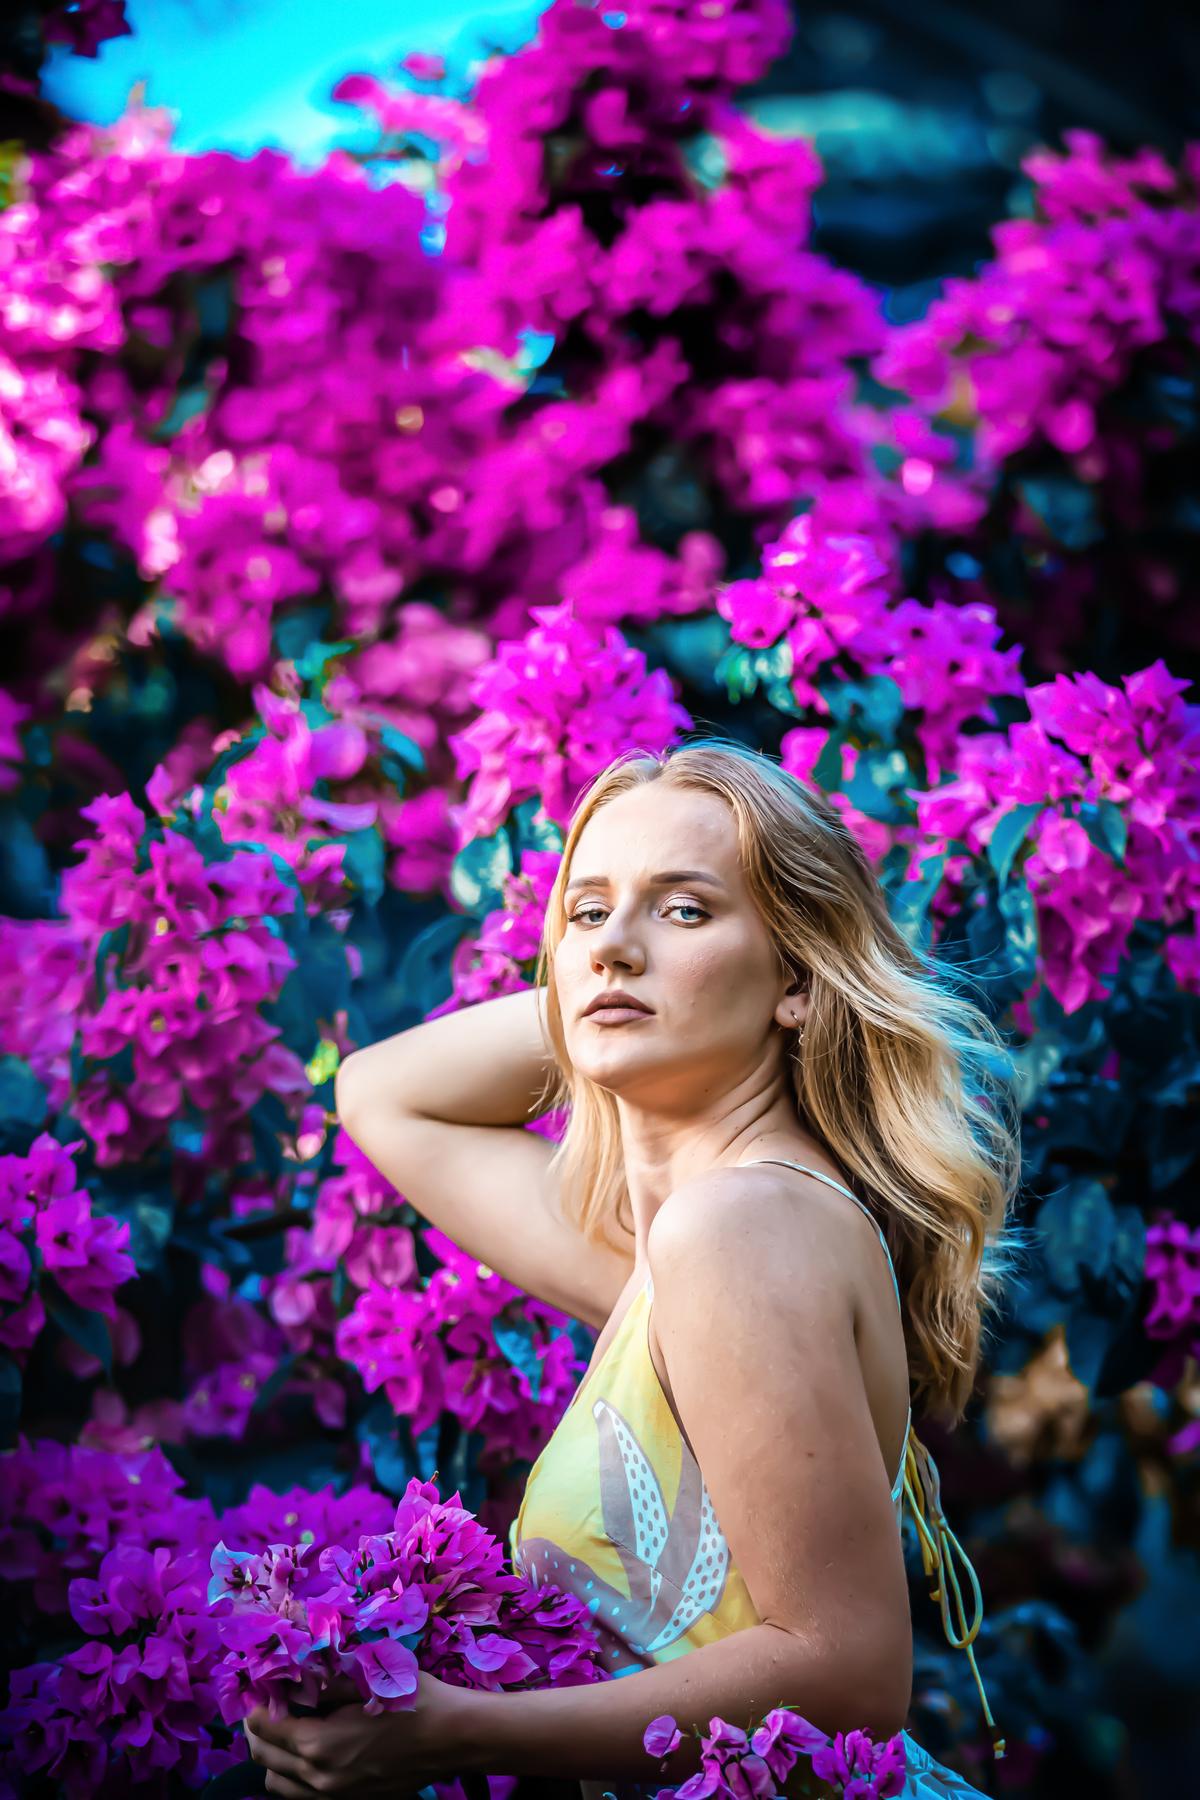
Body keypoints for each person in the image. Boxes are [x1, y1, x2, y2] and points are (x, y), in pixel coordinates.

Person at [244, 744, 1015, 1800]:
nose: (615, 949)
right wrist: (619, 966)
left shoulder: (742, 1227)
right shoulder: (680, 1248)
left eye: (685, 910)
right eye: (588, 910)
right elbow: (383, 1094)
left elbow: (847, 1675)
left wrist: (457, 1731)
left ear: (797, 976)